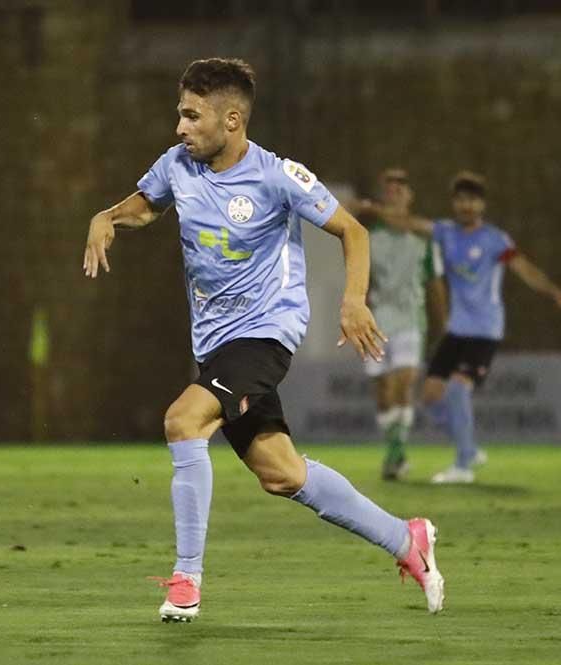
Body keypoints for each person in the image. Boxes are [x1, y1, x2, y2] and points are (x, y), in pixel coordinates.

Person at [82, 58, 444, 620]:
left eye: (190, 116)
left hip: (265, 333)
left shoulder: (278, 175)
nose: (179, 128)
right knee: (282, 473)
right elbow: (145, 206)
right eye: (180, 115)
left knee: (184, 420)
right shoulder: (177, 165)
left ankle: (186, 578)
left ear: (231, 119)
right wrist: (107, 217)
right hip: (215, 345)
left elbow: (353, 229)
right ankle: (406, 539)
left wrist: (352, 300)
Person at [368, 171, 561, 483]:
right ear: (454, 203)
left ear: (482, 204)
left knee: (457, 389)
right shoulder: (446, 232)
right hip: (457, 329)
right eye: (460, 200)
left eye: (472, 200)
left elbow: (522, 267)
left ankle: (463, 464)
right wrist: (371, 208)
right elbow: (408, 224)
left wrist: (552, 291)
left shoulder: (495, 239)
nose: (466, 206)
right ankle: (468, 446)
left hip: (485, 330)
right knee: (429, 397)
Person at [354, 169, 447, 480]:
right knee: (383, 392)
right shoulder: (368, 237)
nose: (394, 192)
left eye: (400, 188)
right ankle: (395, 450)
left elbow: (434, 284)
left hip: (410, 320)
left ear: (410, 196)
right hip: (376, 321)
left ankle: (395, 453)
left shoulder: (422, 237)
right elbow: (361, 283)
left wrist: (444, 323)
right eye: (389, 188)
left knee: (402, 383)